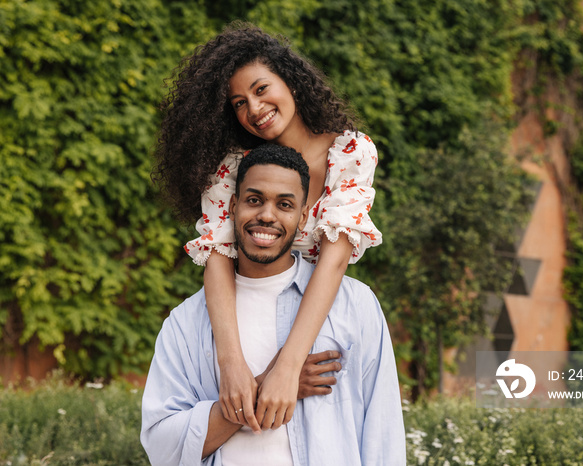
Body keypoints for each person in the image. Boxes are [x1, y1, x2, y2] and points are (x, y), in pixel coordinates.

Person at [152, 23, 381, 433]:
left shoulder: (347, 152)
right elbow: (218, 257)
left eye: (261, 90)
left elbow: (334, 261)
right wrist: (232, 365)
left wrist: (288, 366)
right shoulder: (234, 169)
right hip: (242, 315)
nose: (253, 109)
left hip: (318, 322)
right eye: (239, 102)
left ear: (290, 82)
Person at [141, 145, 405, 465]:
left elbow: (383, 438)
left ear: (303, 216)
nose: (267, 215)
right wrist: (267, 385)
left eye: (284, 204)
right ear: (233, 206)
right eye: (254, 200)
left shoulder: (354, 307)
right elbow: (160, 446)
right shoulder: (185, 323)